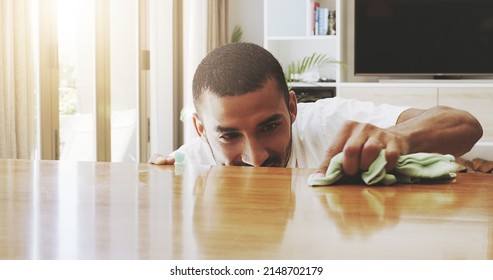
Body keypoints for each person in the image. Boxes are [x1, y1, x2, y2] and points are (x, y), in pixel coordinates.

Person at [149, 42, 483, 178]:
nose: (255, 156)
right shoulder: (186, 168)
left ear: (293, 107)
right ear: (200, 129)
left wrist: (397, 137)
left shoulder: (329, 121)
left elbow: (465, 125)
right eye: (229, 135)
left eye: (269, 126)